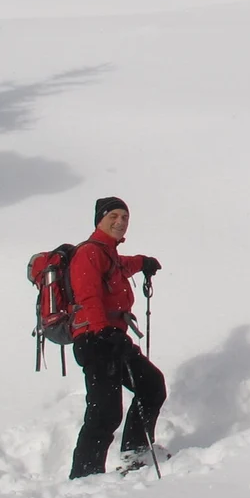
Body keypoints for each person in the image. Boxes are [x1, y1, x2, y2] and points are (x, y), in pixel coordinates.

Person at [67, 196, 166, 479]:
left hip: (112, 340)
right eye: (114, 216)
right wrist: (104, 330)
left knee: (151, 385)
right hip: (96, 340)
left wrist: (143, 263)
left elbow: (123, 265)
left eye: (125, 217)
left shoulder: (108, 253)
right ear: (99, 220)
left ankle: (135, 453)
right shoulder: (89, 253)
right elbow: (87, 296)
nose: (120, 222)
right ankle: (84, 477)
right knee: (105, 412)